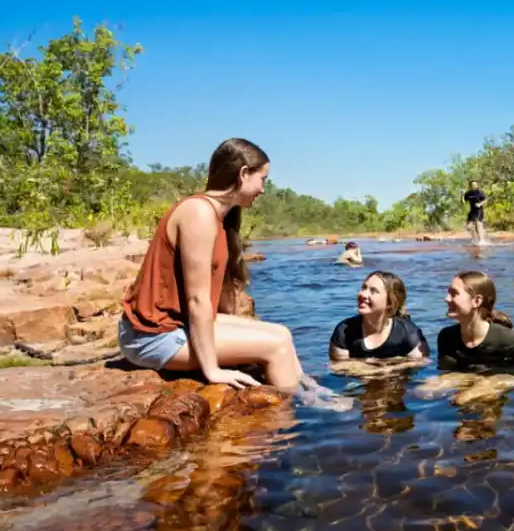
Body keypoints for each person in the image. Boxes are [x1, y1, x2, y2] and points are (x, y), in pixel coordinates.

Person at [118, 138, 349, 409]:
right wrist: (212, 370)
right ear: (243, 174)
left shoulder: (219, 217)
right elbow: (197, 300)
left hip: (174, 327)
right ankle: (301, 415)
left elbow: (215, 298)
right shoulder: (198, 212)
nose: (263, 189)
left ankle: (310, 391)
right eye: (263, 179)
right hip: (152, 337)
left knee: (282, 334)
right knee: (273, 346)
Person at [437, 271, 514, 371]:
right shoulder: (447, 337)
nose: (446, 299)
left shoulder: (505, 338)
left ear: (476, 301)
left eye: (454, 293)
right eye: (448, 293)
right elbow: (447, 374)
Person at [329, 271, 429, 362]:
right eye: (363, 288)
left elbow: (422, 362)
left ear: (389, 302)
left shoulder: (408, 333)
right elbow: (339, 368)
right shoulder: (345, 331)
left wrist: (365, 364)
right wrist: (392, 363)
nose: (362, 294)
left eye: (373, 291)